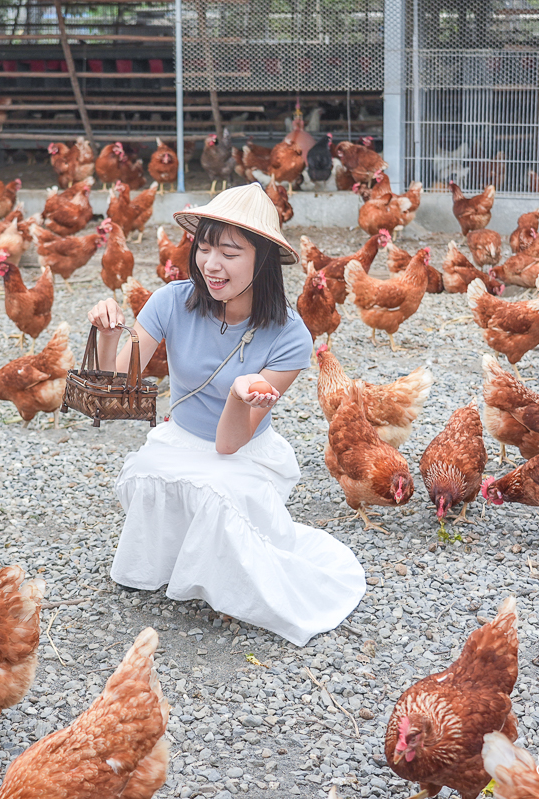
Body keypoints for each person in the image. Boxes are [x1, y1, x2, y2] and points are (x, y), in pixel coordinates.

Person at [85, 183, 365, 646]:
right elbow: (113, 387)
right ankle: (171, 562)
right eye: (205, 247)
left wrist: (239, 396)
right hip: (181, 440)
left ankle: (224, 579)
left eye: (230, 253)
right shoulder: (171, 301)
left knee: (215, 492)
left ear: (263, 260)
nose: (211, 264)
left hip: (242, 453)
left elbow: (229, 445)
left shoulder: (289, 336)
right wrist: (109, 334)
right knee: (144, 475)